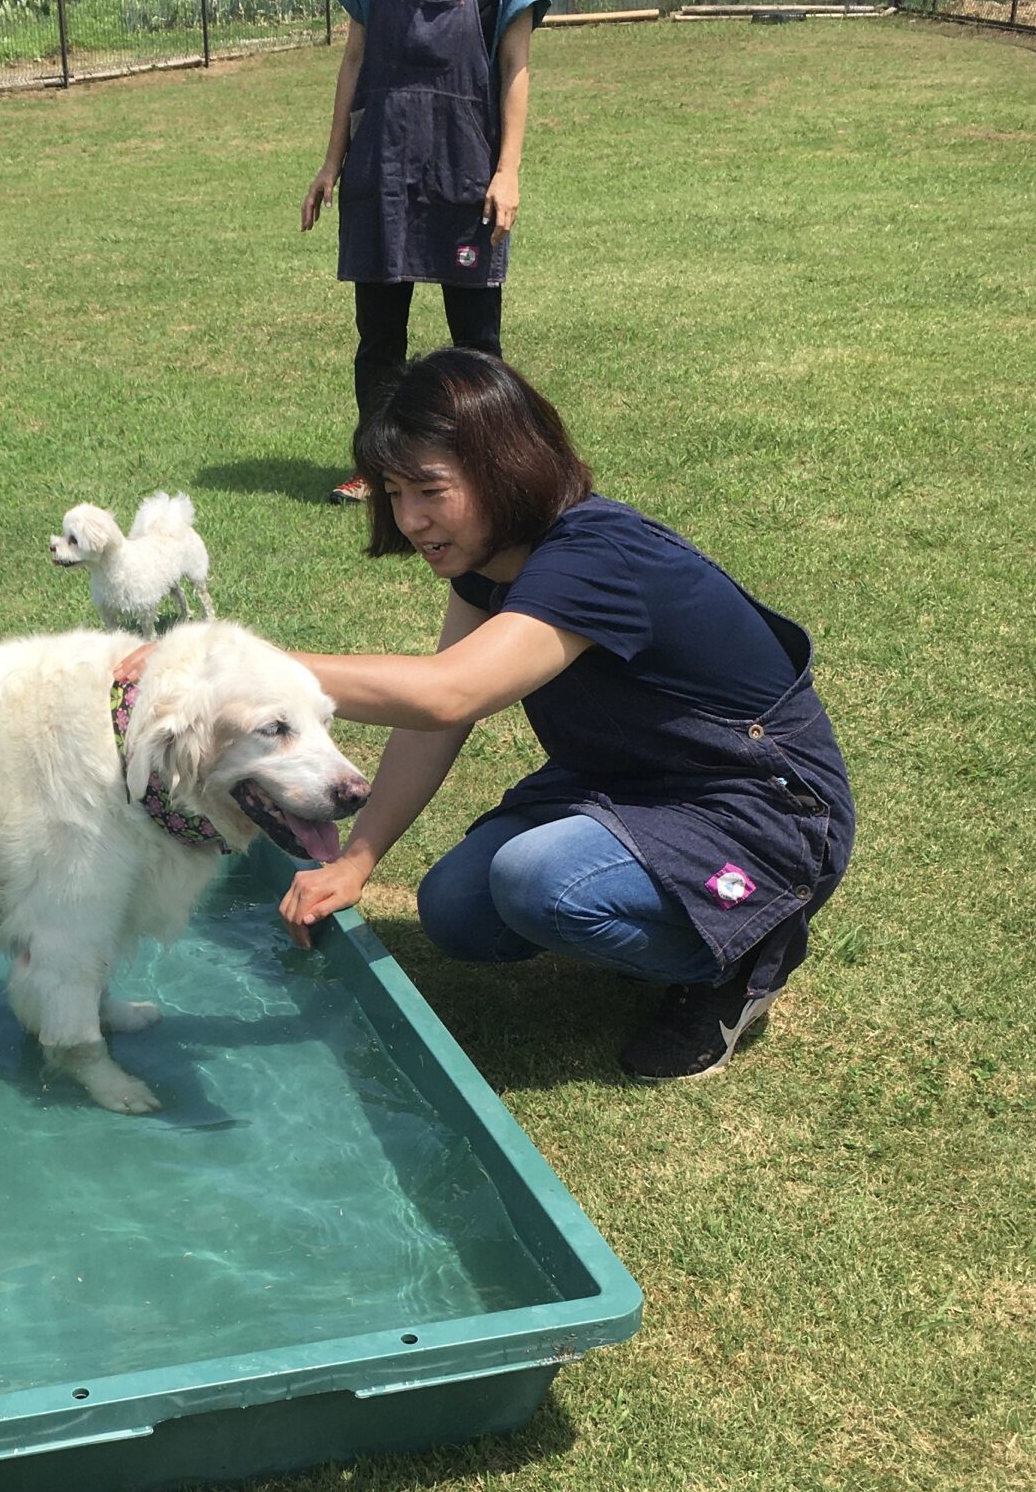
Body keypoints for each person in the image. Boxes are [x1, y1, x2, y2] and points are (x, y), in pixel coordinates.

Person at [277, 347, 856, 1081]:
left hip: (757, 802)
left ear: (501, 468)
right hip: (630, 781)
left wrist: (238, 665)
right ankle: (664, 916)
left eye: (431, 490)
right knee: (457, 910)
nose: (411, 519)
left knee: (537, 880)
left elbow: (447, 692)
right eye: (394, 493)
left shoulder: (595, 556)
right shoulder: (489, 564)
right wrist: (357, 861)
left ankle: (741, 959)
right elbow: (439, 719)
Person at [301, 0, 550, 506]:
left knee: (475, 342)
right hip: (381, 166)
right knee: (379, 337)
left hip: (465, 168)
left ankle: (485, 466)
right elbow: (354, 59)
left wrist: (508, 171)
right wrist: (330, 162)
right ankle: (380, 468)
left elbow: (515, 65)